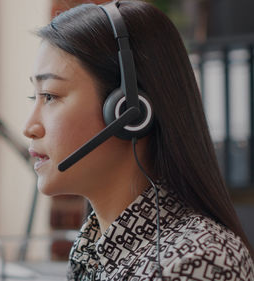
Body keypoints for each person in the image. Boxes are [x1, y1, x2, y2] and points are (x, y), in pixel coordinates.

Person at [22, 0, 254, 280]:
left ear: (129, 111)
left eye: (50, 96)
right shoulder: (93, 251)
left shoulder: (199, 260)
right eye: (33, 97)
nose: (29, 127)